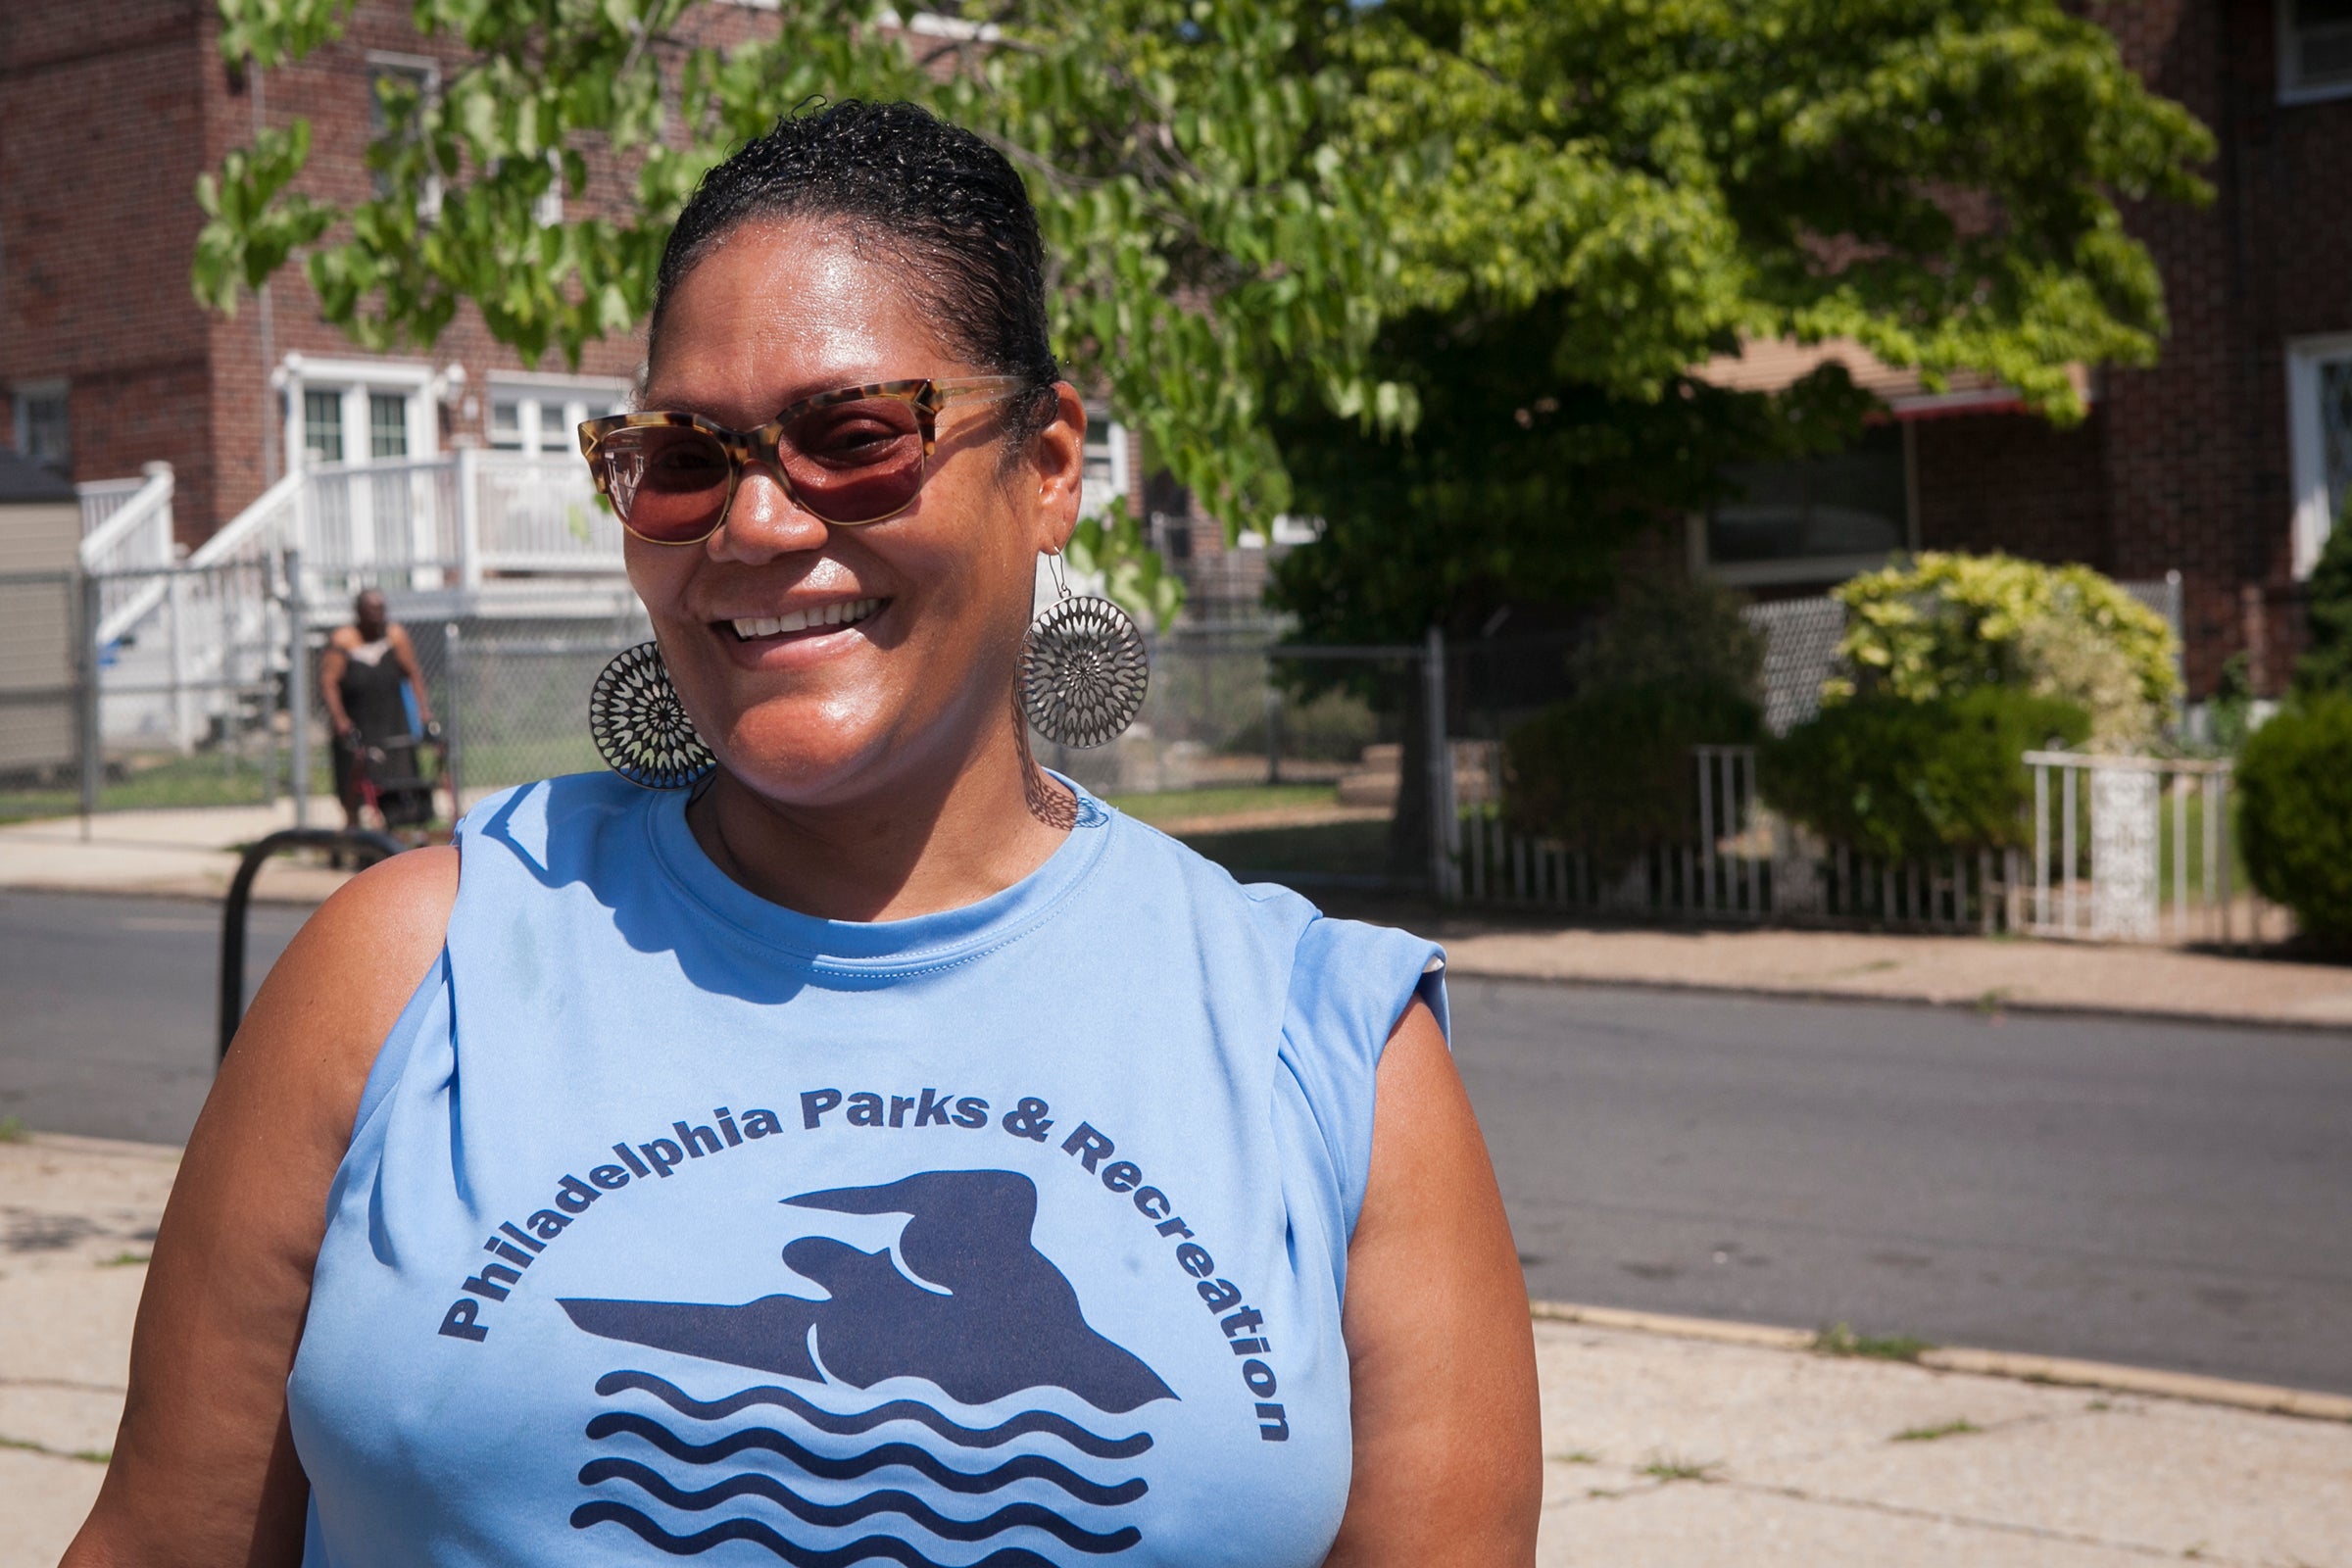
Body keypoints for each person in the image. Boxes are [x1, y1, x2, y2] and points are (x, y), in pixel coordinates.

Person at [64, 102, 1539, 1567]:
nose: (757, 525)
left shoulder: (1329, 1050)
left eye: (852, 436)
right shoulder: (405, 971)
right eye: (683, 458)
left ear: (1047, 468)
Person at [318, 590, 437, 830]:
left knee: (398, 783)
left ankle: (399, 834)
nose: (377, 615)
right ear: (359, 612)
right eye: (371, 610)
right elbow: (328, 682)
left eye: (380, 609)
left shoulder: (394, 636)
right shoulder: (344, 640)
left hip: (392, 722)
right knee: (355, 787)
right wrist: (340, 719)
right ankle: (354, 837)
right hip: (358, 724)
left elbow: (413, 673)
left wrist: (423, 711)